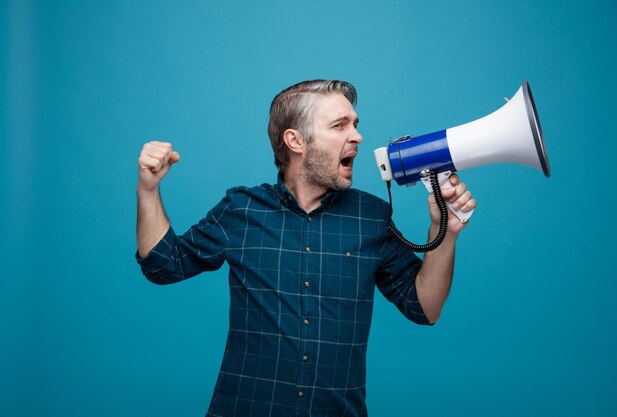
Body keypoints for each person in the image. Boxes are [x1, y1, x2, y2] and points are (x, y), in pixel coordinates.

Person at [136, 80, 476, 417]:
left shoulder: (371, 216)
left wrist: (445, 231)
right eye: (340, 125)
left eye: (355, 124)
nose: (356, 136)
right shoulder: (242, 209)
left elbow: (424, 308)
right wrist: (148, 188)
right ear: (295, 140)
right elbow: (163, 265)